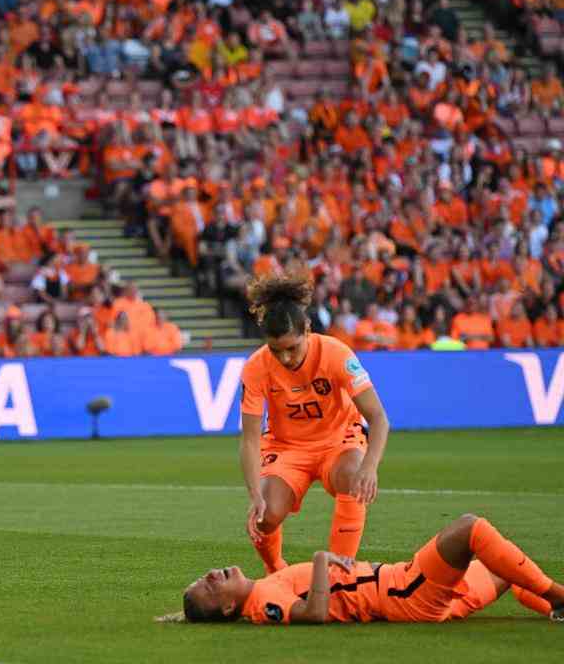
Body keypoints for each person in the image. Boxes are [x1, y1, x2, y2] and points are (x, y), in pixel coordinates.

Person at [238, 268, 392, 574]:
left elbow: (378, 417)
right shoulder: (256, 367)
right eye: (275, 350)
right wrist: (255, 494)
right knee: (265, 516)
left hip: (339, 441)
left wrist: (370, 466)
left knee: (353, 478)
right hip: (286, 447)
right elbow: (250, 440)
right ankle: (276, 572)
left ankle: (337, 576)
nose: (285, 359)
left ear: (307, 328)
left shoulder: (335, 354)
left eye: (292, 348)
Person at [179, 513, 564, 625]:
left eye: (203, 577)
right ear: (229, 609)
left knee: (505, 567)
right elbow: (314, 614)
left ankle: (552, 609)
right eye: (209, 588)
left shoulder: (260, 592)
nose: (211, 576)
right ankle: (559, 597)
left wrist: (181, 616)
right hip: (405, 591)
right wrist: (320, 560)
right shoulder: (264, 603)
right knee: (469, 528)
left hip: (411, 591)